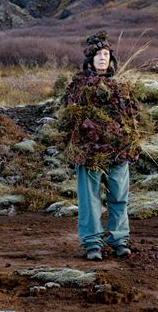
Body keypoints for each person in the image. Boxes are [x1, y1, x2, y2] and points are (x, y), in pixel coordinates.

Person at [59, 31, 142, 261]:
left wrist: (130, 143)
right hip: (89, 152)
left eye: (106, 54)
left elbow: (133, 118)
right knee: (90, 200)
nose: (102, 58)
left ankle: (119, 240)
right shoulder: (78, 87)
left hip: (118, 151)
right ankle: (92, 244)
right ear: (90, 60)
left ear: (112, 59)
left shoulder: (121, 86)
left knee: (119, 196)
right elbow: (68, 119)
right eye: (98, 55)